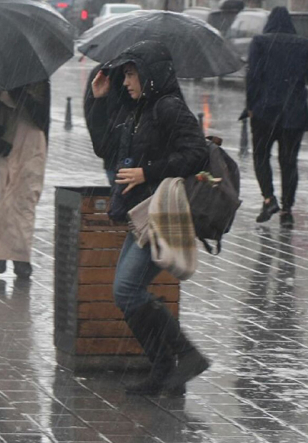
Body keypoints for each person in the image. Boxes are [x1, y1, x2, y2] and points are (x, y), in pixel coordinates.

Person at [90, 41, 209, 394]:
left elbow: (196, 153)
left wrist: (148, 172)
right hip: (141, 214)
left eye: (131, 73)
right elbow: (105, 148)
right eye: (124, 74)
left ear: (150, 73)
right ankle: (165, 370)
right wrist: (99, 101)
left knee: (126, 289)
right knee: (125, 291)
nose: (126, 81)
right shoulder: (138, 108)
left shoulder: (168, 108)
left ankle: (184, 356)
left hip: (160, 212)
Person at [246, 6, 308, 228]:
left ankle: (269, 199)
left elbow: (252, 76)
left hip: (264, 112)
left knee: (261, 156)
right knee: (289, 162)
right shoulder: (304, 46)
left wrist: (251, 104)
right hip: (294, 113)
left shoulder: (260, 43)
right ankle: (287, 209)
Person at [0, 81, 50, 279]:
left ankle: (20, 258)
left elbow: (40, 116)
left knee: (22, 201)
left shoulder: (38, 79)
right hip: (2, 141)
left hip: (30, 142)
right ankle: (0, 250)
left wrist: (15, 93)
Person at [84, 64, 130, 185]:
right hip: (115, 162)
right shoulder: (102, 74)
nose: (127, 82)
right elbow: (95, 126)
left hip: (133, 164)